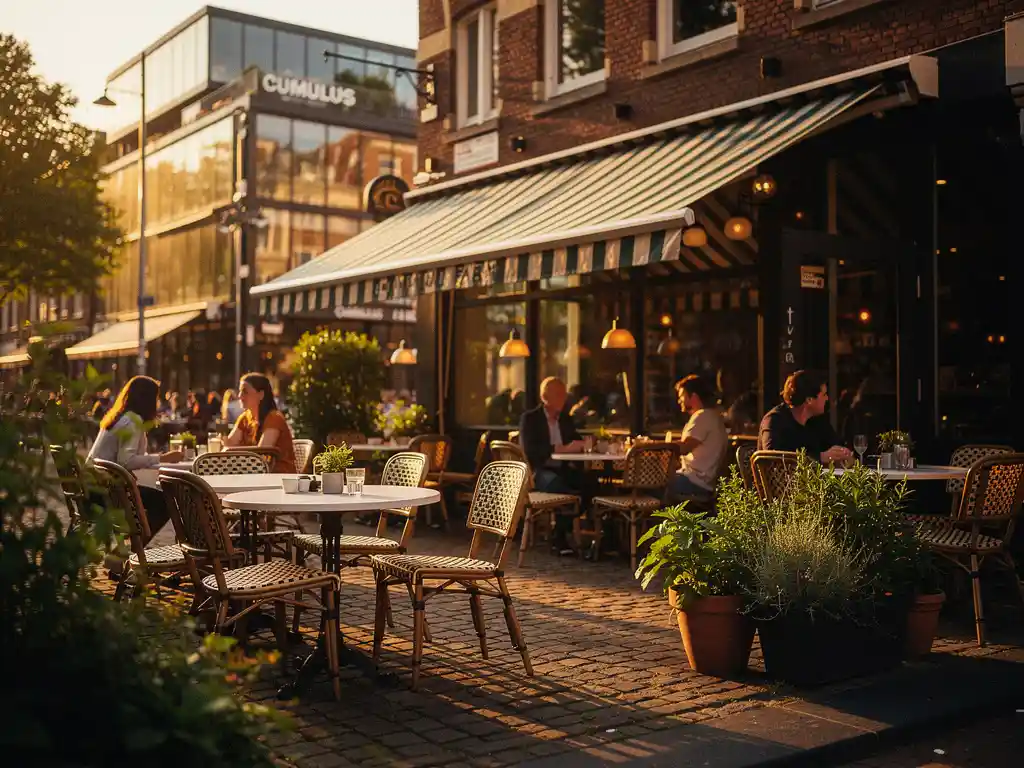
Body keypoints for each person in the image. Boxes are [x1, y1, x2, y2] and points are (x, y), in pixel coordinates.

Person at [86, 375, 183, 546]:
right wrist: (163, 457)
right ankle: (132, 549)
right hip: (105, 492)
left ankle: (127, 549)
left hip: (91, 488)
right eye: (156, 398)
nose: (158, 402)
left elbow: (120, 459)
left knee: (155, 500)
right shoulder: (132, 422)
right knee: (165, 503)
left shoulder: (120, 417)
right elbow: (126, 461)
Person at [518, 377, 584, 554]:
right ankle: (559, 537)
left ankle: (601, 539)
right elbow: (530, 450)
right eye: (558, 394)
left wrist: (583, 444)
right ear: (545, 397)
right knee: (561, 488)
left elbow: (575, 440)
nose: (563, 398)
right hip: (539, 471)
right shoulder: (530, 419)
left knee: (591, 485)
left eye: (564, 394)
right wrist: (559, 448)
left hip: (563, 468)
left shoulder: (565, 419)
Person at [758, 370, 853, 464]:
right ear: (809, 400)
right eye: (824, 395)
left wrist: (844, 454)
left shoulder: (817, 420)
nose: (827, 398)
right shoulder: (775, 420)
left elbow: (836, 446)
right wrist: (819, 457)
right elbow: (772, 458)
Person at [224, 372, 297, 473]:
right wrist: (221, 435)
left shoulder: (274, 418)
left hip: (279, 476)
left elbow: (260, 457)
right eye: (240, 391)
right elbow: (229, 445)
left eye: (245, 392)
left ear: (261, 395)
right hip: (252, 473)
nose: (240, 396)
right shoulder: (245, 418)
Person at [670, 375, 728, 501]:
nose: (679, 401)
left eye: (681, 396)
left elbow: (684, 447)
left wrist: (652, 446)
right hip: (702, 482)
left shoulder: (702, 416)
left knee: (650, 484)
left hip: (695, 483)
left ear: (694, 396)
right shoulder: (712, 416)